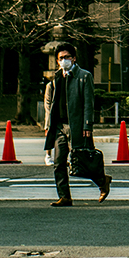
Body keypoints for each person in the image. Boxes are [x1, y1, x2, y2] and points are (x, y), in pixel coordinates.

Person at [41, 43, 109, 206]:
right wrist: (48, 124)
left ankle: (102, 181)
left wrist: (87, 125)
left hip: (77, 125)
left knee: (82, 161)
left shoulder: (84, 76)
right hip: (59, 126)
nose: (64, 61)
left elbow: (88, 102)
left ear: (74, 58)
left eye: (67, 57)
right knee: (59, 162)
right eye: (61, 58)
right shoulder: (56, 78)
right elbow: (50, 104)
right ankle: (64, 195)